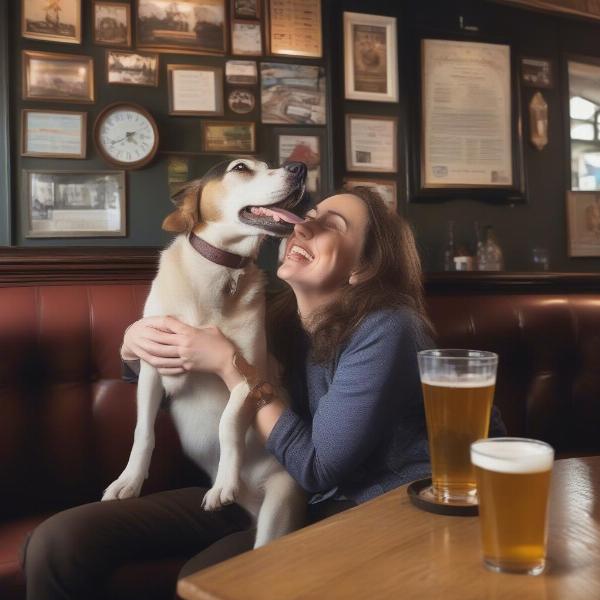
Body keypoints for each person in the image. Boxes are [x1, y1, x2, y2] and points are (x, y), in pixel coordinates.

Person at [22, 187, 505, 600]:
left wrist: (232, 367)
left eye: (330, 226)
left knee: (207, 581)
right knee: (60, 541)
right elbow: (177, 372)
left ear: (363, 267)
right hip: (266, 485)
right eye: (305, 220)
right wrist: (134, 348)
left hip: (375, 509)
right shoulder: (274, 315)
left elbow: (318, 470)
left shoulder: (388, 326)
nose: (301, 229)